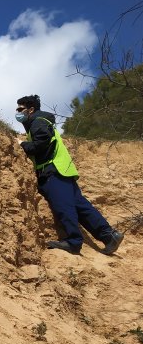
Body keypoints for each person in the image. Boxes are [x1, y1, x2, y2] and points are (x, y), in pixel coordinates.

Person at [16, 95, 123, 255]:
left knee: (63, 205)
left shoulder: (37, 121)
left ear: (31, 110)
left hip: (53, 170)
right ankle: (109, 236)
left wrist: (21, 144)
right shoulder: (42, 121)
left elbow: (41, 144)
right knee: (81, 207)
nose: (17, 113)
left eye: (20, 109)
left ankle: (73, 242)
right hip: (63, 169)